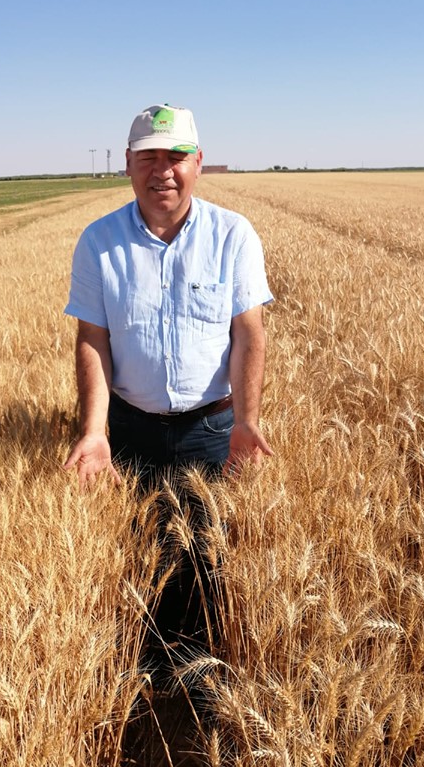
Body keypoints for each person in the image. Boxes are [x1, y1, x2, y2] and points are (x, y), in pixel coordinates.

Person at [63, 103, 274, 489]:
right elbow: (92, 339)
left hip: (214, 432)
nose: (162, 171)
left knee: (211, 547)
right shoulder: (98, 242)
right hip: (130, 431)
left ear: (198, 162)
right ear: (128, 162)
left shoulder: (233, 235)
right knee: (132, 545)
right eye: (147, 157)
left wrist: (246, 423)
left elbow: (248, 333)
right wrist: (94, 431)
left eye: (176, 157)